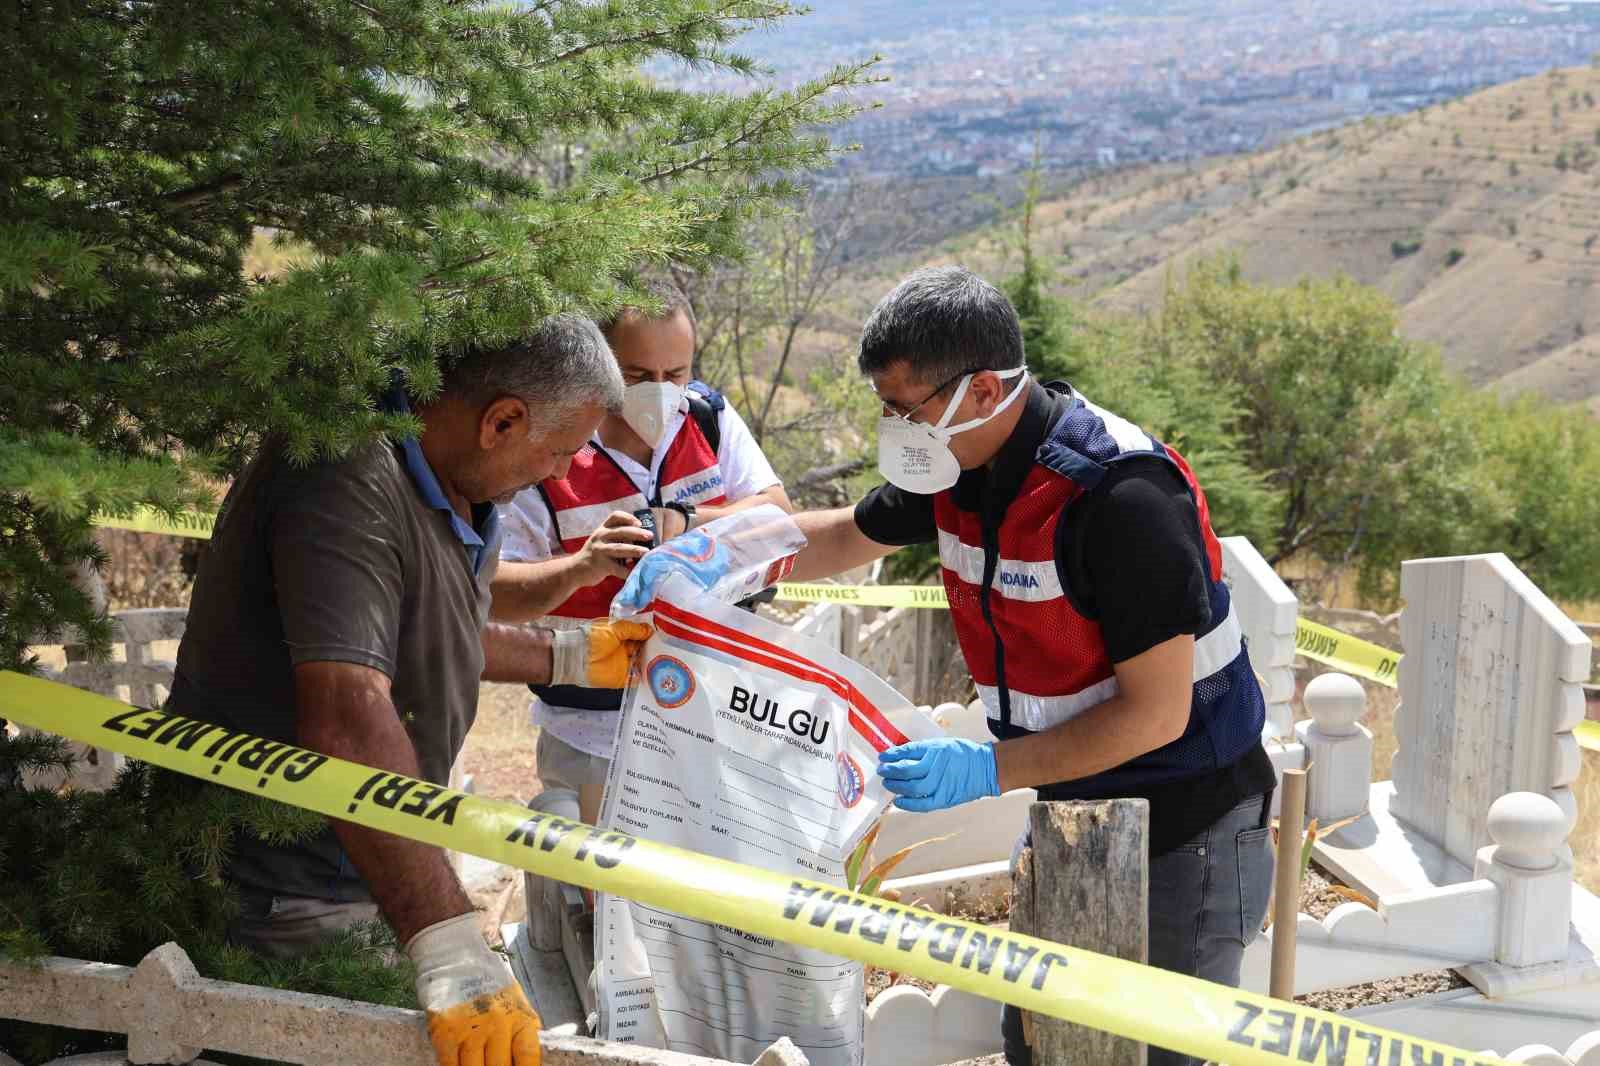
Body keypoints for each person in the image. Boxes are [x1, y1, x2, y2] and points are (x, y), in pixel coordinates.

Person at [783, 267, 1276, 1066]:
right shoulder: (957, 466)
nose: (894, 428)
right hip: (1068, 810)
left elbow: (1156, 715)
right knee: (1045, 1046)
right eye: (883, 407)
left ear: (982, 390)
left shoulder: (1121, 499)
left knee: (1155, 1056)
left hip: (1187, 827)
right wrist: (716, 555)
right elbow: (843, 535)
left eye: (905, 407)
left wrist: (988, 768)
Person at [166, 314, 651, 1066]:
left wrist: (569, 657)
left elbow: (431, 631)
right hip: (282, 887)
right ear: (503, 420)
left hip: (362, 862)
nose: (559, 475)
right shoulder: (343, 477)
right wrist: (450, 942)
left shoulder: (457, 476)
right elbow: (350, 710)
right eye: (558, 452)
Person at [495, 281, 792, 825]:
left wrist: (684, 525)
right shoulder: (551, 447)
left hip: (712, 713)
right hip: (592, 732)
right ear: (601, 367)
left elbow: (775, 516)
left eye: (674, 374)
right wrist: (581, 567)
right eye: (637, 376)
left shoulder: (707, 418)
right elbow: (495, 589)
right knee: (596, 905)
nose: (660, 391)